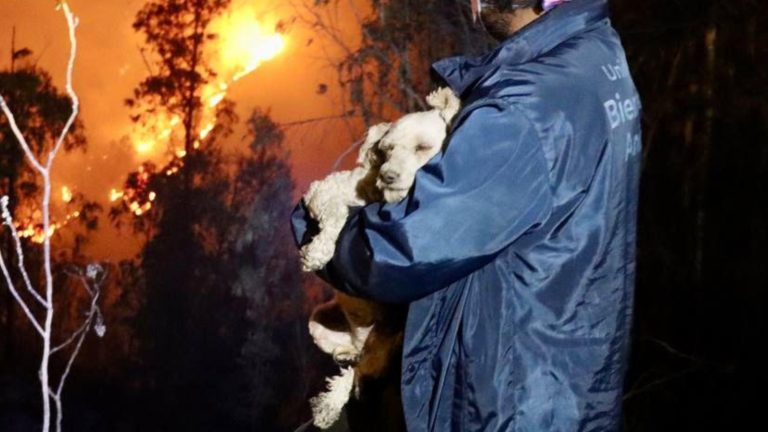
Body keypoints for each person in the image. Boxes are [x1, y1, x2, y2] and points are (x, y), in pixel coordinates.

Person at [290, 0, 642, 430]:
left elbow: (396, 252)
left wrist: (316, 215)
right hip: (568, 389)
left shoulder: (526, 106)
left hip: (507, 404)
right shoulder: (597, 52)